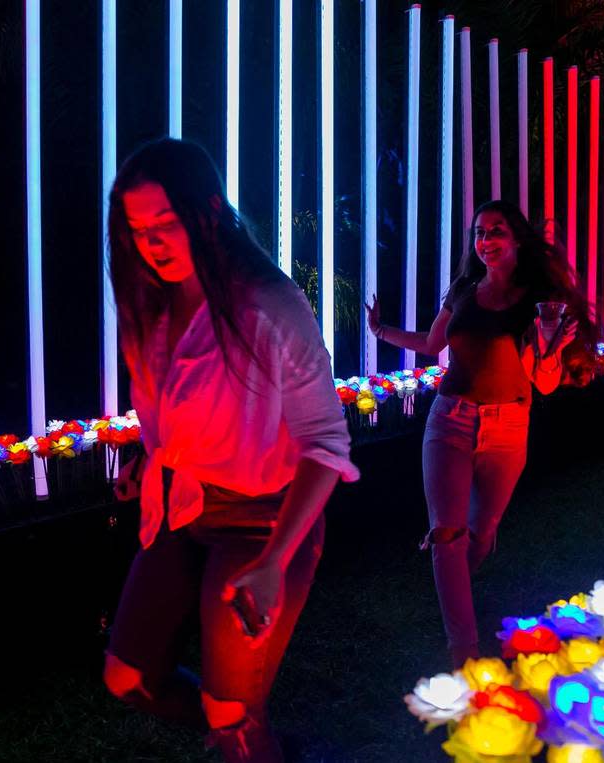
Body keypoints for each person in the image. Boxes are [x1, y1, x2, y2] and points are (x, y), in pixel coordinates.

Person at [101, 138, 358, 762]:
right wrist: (149, 456)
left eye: (167, 222)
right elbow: (172, 407)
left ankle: (242, 731)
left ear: (209, 210)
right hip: (179, 509)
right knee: (127, 680)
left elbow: (326, 445)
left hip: (261, 520)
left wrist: (275, 560)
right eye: (138, 230)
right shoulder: (151, 305)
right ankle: (256, 737)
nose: (152, 243)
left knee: (230, 714)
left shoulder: (268, 305)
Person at [365, 200, 597, 667]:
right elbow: (433, 346)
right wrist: (381, 330)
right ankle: (463, 650)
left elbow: (546, 381)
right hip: (450, 417)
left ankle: (455, 595)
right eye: (478, 233)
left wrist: (556, 345)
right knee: (447, 533)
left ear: (516, 240)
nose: (485, 240)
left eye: (495, 231)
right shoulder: (465, 289)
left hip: (508, 424)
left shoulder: (539, 301)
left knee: (481, 533)